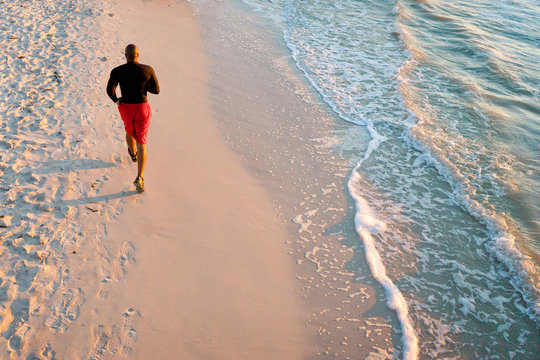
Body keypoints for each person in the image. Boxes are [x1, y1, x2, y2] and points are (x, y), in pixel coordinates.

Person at [106, 44, 160, 193]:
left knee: (129, 130)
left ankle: (133, 153)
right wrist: (143, 86)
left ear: (125, 55)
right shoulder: (148, 69)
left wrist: (117, 101)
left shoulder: (117, 71)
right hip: (142, 108)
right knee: (141, 140)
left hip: (126, 107)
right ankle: (140, 178)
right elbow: (156, 90)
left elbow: (110, 90)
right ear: (138, 54)